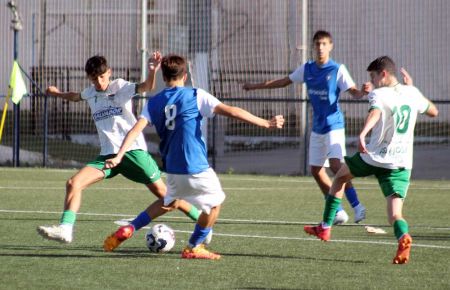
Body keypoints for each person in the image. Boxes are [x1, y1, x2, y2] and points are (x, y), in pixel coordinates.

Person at [102, 53, 285, 259]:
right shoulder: (196, 95)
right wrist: (265, 123)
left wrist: (119, 155)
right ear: (185, 76)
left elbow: (135, 130)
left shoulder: (153, 103)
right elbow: (231, 111)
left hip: (171, 168)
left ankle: (130, 228)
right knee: (214, 206)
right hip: (195, 167)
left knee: (169, 202)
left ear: (163, 76)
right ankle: (194, 246)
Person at [37, 52, 202, 244]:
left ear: (109, 72)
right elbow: (75, 97)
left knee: (167, 197)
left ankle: (201, 220)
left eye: (102, 76)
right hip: (108, 157)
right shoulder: (90, 93)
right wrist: (56, 93)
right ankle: (65, 229)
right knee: (74, 183)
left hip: (133, 153)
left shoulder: (120, 87)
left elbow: (147, 87)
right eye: (94, 78)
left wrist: (152, 71)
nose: (99, 82)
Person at [303, 56, 438, 264]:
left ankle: (325, 227)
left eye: (373, 76)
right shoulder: (412, 92)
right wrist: (415, 89)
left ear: (383, 74)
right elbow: (433, 111)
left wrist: (363, 133)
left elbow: (375, 112)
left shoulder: (379, 93)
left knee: (339, 178)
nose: (372, 81)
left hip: (375, 156)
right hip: (401, 163)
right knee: (395, 215)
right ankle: (403, 237)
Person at [243, 30, 369, 224]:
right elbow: (284, 81)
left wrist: (362, 91)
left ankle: (358, 207)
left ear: (330, 46)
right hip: (317, 128)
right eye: (317, 44)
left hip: (334, 126)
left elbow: (353, 92)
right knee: (316, 171)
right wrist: (255, 86)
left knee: (337, 166)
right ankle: (337, 211)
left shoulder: (337, 70)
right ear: (313, 46)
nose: (320, 48)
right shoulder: (307, 69)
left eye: (324, 44)